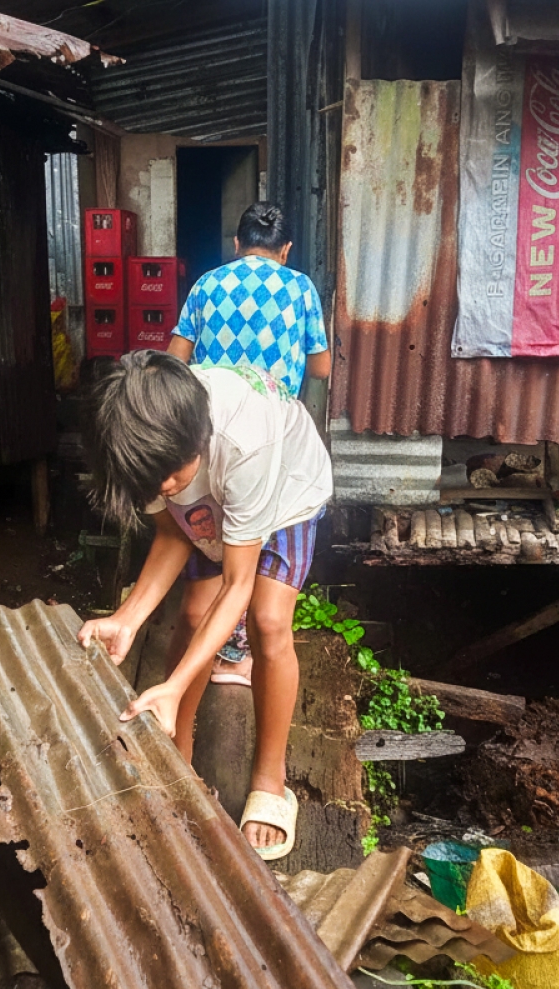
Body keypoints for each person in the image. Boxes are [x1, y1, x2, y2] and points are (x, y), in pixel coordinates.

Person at [77, 351, 331, 860]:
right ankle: (178, 756)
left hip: (285, 492)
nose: (163, 489)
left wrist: (170, 683)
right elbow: (173, 535)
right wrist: (128, 618)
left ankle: (270, 777)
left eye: (170, 476)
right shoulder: (138, 443)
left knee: (268, 621)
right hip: (221, 491)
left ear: (199, 438)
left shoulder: (245, 439)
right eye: (152, 482)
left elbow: (238, 585)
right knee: (192, 616)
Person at [166, 201, 332, 687]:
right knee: (255, 530)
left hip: (208, 431)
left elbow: (175, 359)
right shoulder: (300, 287)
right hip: (268, 436)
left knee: (217, 535)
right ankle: (239, 653)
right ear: (286, 250)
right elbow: (320, 369)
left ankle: (221, 647)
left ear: (236, 245)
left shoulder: (207, 284)